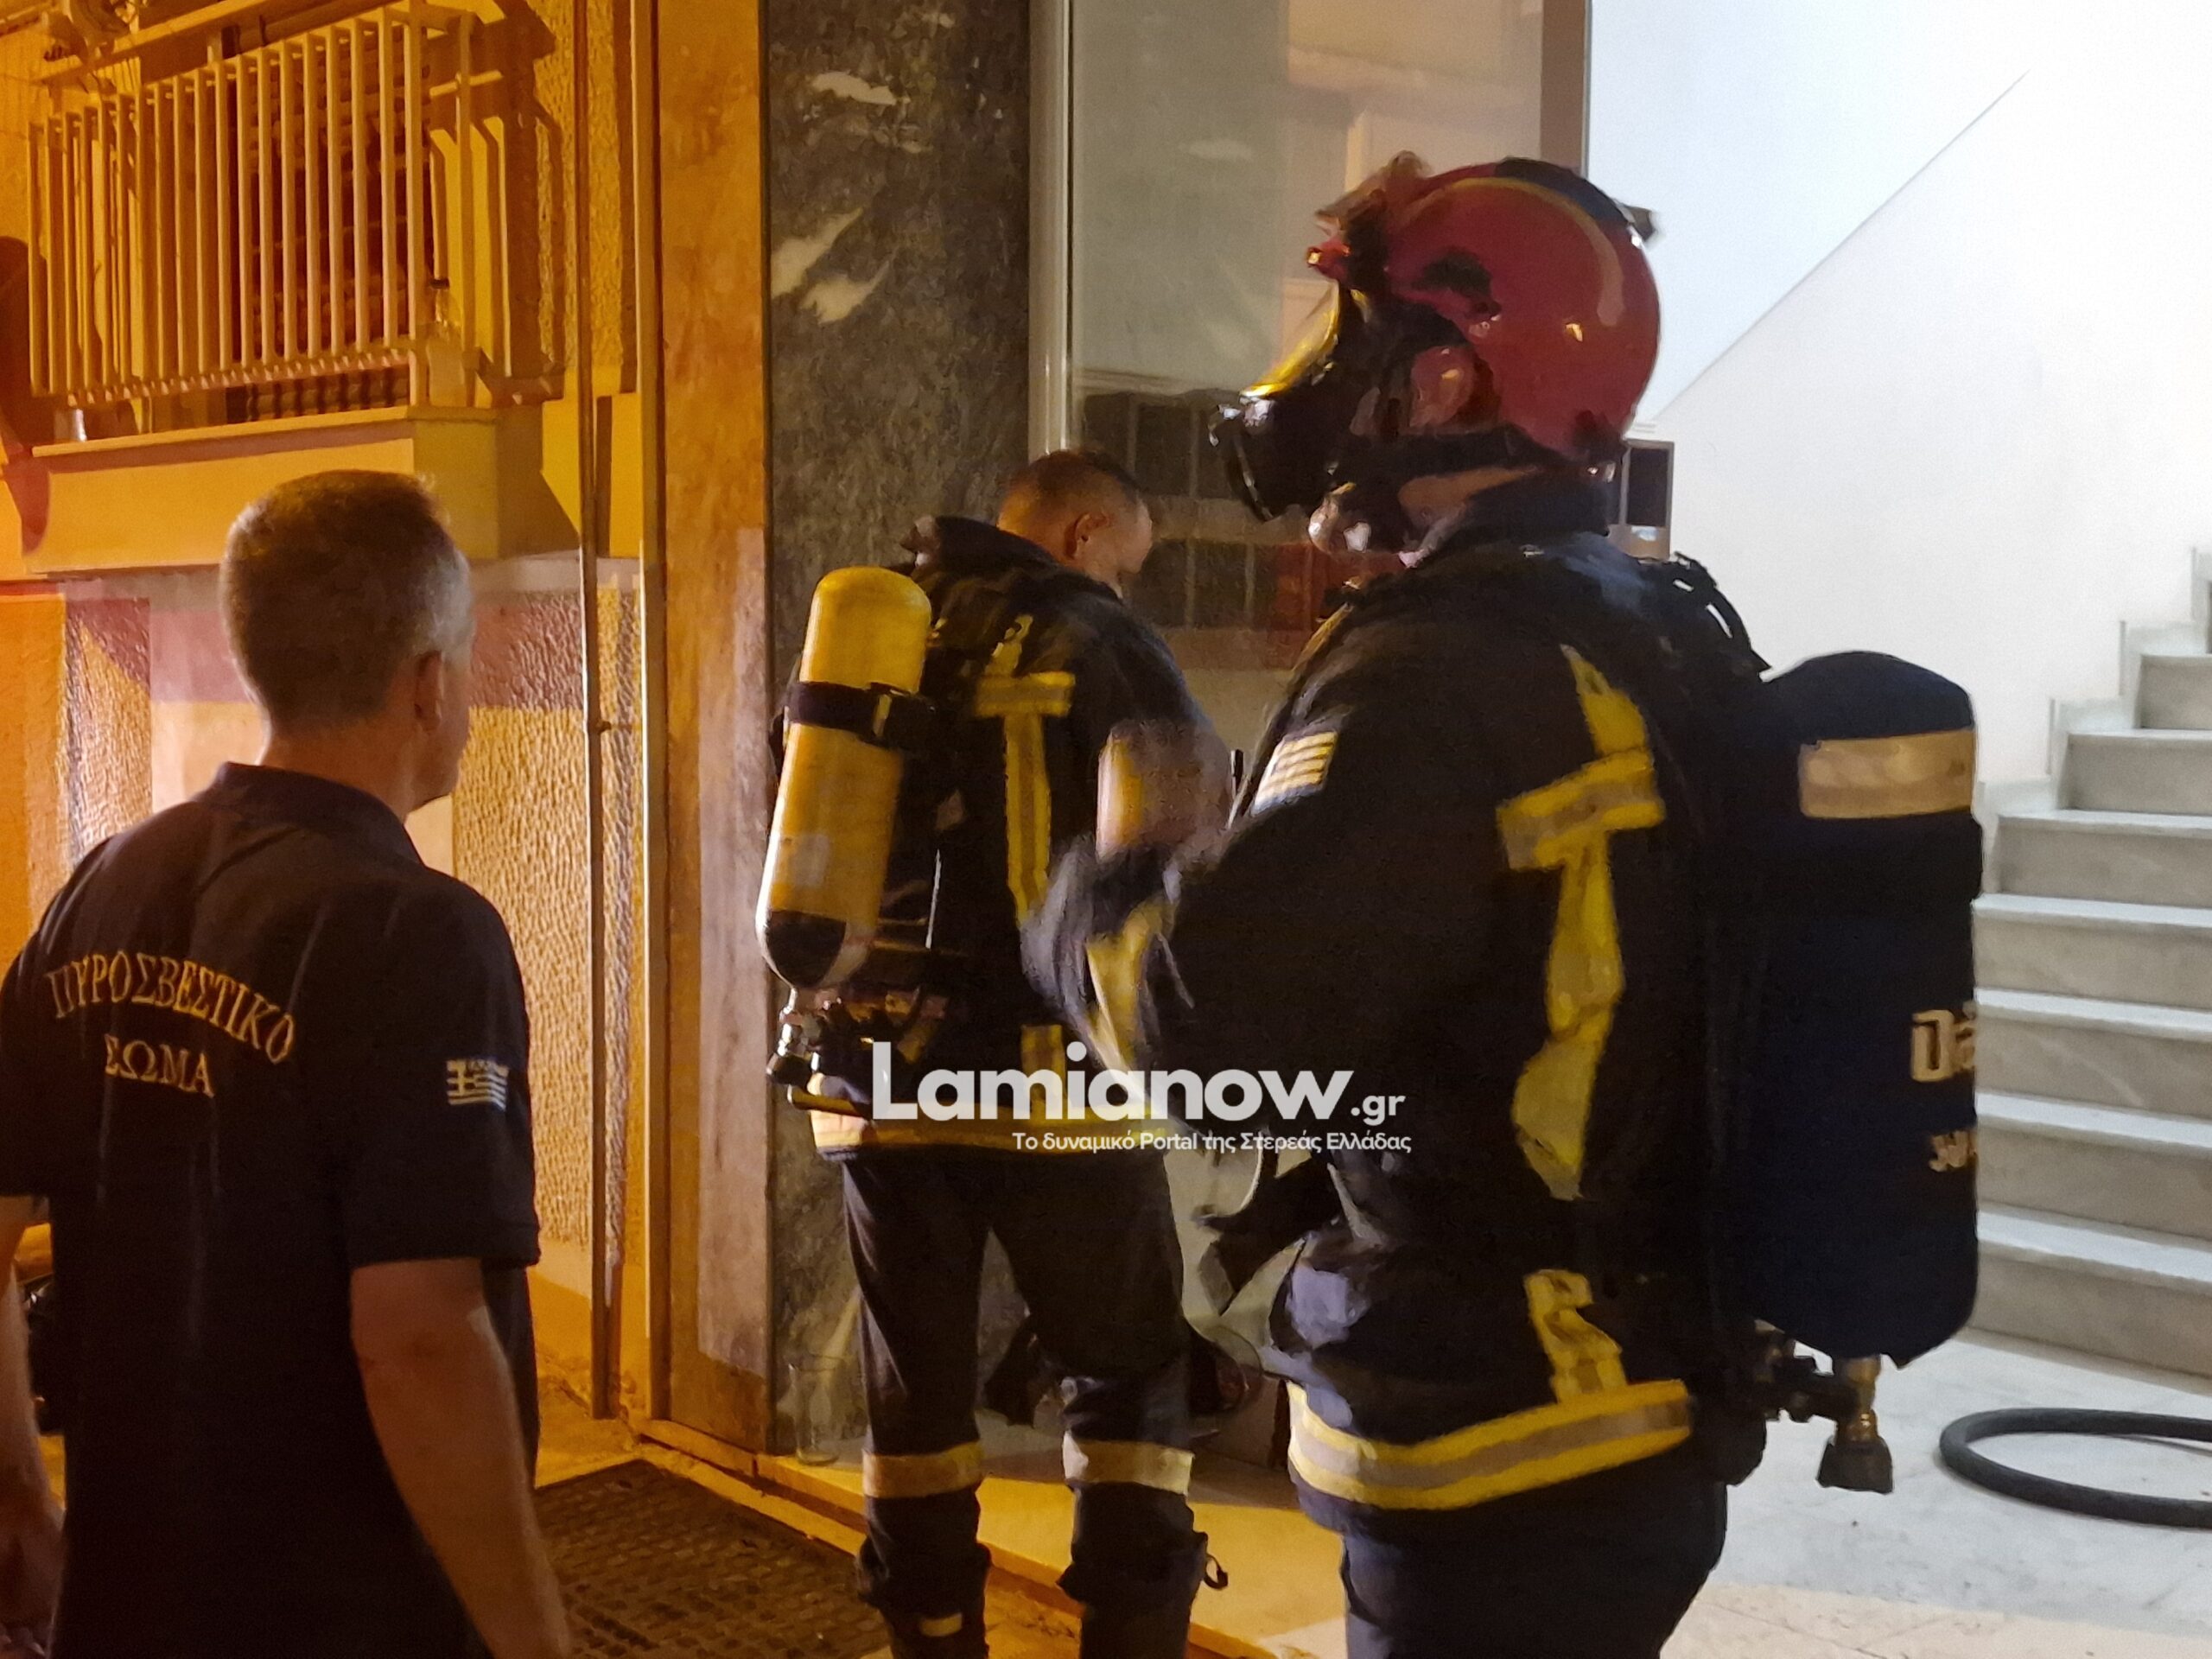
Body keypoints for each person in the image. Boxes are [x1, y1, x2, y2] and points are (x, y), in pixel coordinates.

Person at [1027, 157, 1762, 1658]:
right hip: (1644, 1400)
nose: (1309, 384)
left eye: (1344, 340)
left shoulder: (1436, 675)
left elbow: (1213, 1050)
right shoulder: (1642, 622)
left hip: (1502, 1445)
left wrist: (1106, 875)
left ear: (1446, 378)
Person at [0, 472, 569, 1658]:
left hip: (128, 1600)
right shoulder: (421, 935)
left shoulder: (105, 885)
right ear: (428, 681)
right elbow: (417, 1336)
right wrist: (535, 1642)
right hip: (343, 1616)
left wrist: (23, 1508)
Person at [787, 449, 1211, 1658]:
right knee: (1127, 1384)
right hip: (1058, 1089)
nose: (1122, 585)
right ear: (1082, 535)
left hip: (876, 1080)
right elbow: (1181, 845)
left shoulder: (875, 636)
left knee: (911, 1398)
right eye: (1125, 562)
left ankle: (928, 1630)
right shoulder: (1099, 639)